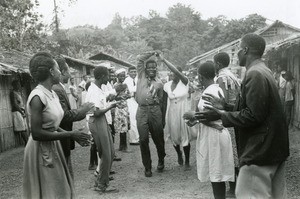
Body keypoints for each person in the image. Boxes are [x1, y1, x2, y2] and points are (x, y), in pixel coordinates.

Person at [199, 33, 289, 198]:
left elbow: (254, 115)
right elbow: (258, 107)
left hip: (260, 150)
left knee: (249, 194)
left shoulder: (255, 74)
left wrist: (223, 115)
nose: (236, 55)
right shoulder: (263, 71)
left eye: (238, 49)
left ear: (246, 50)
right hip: (273, 148)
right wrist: (226, 105)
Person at [23, 52, 91, 198]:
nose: (60, 72)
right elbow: (36, 133)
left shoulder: (52, 93)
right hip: (40, 150)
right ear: (51, 71)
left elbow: (52, 125)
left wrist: (74, 136)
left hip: (53, 144)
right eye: (58, 68)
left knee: (59, 188)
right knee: (49, 190)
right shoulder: (37, 97)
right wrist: (70, 134)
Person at [184, 61, 234, 199]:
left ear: (200, 77)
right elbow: (211, 114)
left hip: (214, 136)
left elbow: (210, 115)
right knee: (216, 174)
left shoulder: (211, 91)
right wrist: (195, 120)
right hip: (215, 133)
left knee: (216, 174)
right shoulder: (215, 89)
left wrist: (191, 115)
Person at [52, 57, 95, 177]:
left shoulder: (60, 88)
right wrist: (83, 110)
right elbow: (65, 115)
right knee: (65, 173)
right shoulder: (57, 89)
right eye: (69, 71)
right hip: (60, 135)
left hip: (62, 134)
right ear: (63, 72)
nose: (70, 75)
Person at [158, 54, 195, 170]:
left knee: (185, 135)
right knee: (174, 136)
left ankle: (187, 161)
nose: (172, 74)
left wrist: (164, 60)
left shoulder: (184, 82)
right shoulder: (167, 85)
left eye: (174, 73)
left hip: (182, 111)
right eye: (171, 73)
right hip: (171, 112)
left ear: (179, 74)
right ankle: (179, 153)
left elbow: (178, 73)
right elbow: (164, 102)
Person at [85, 66, 119, 193]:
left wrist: (109, 101)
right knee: (106, 153)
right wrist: (111, 106)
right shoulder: (94, 90)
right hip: (97, 120)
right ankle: (102, 184)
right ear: (102, 76)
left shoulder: (98, 89)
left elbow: (100, 103)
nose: (109, 78)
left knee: (110, 151)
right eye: (107, 75)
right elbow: (97, 112)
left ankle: (101, 180)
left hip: (101, 120)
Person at [213, 52, 240, 197]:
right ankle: (235, 185)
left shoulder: (222, 78)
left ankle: (233, 187)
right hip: (235, 114)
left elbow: (221, 99)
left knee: (229, 152)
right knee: (234, 150)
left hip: (227, 116)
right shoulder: (232, 75)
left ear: (218, 64)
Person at [136, 51, 166, 177]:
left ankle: (161, 159)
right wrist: (152, 53)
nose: (152, 69)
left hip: (155, 111)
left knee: (158, 138)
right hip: (142, 110)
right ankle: (147, 167)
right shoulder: (141, 76)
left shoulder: (159, 83)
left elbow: (161, 101)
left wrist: (162, 118)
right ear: (145, 69)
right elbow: (139, 58)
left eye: (154, 67)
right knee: (143, 139)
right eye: (149, 67)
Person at [114, 68, 131, 151]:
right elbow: (113, 97)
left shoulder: (125, 85)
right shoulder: (115, 85)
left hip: (124, 107)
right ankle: (123, 147)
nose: (122, 78)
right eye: (120, 76)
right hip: (119, 108)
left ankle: (122, 146)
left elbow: (129, 94)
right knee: (122, 127)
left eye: (123, 76)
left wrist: (126, 96)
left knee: (124, 127)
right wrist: (120, 97)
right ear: (117, 76)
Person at [124, 66, 140, 145]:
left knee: (137, 118)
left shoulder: (137, 79)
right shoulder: (127, 80)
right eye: (132, 72)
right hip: (130, 100)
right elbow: (130, 90)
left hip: (136, 100)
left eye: (135, 72)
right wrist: (138, 87)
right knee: (132, 119)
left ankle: (138, 137)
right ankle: (133, 139)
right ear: (128, 72)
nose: (134, 73)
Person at [10, 79, 28, 146]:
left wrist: (23, 111)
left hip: (21, 111)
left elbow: (21, 103)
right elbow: (15, 104)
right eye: (17, 84)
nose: (18, 85)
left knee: (24, 128)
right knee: (22, 128)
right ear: (13, 85)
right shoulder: (13, 93)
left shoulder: (19, 93)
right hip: (17, 111)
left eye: (19, 84)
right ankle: (26, 142)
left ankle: (27, 142)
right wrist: (21, 112)